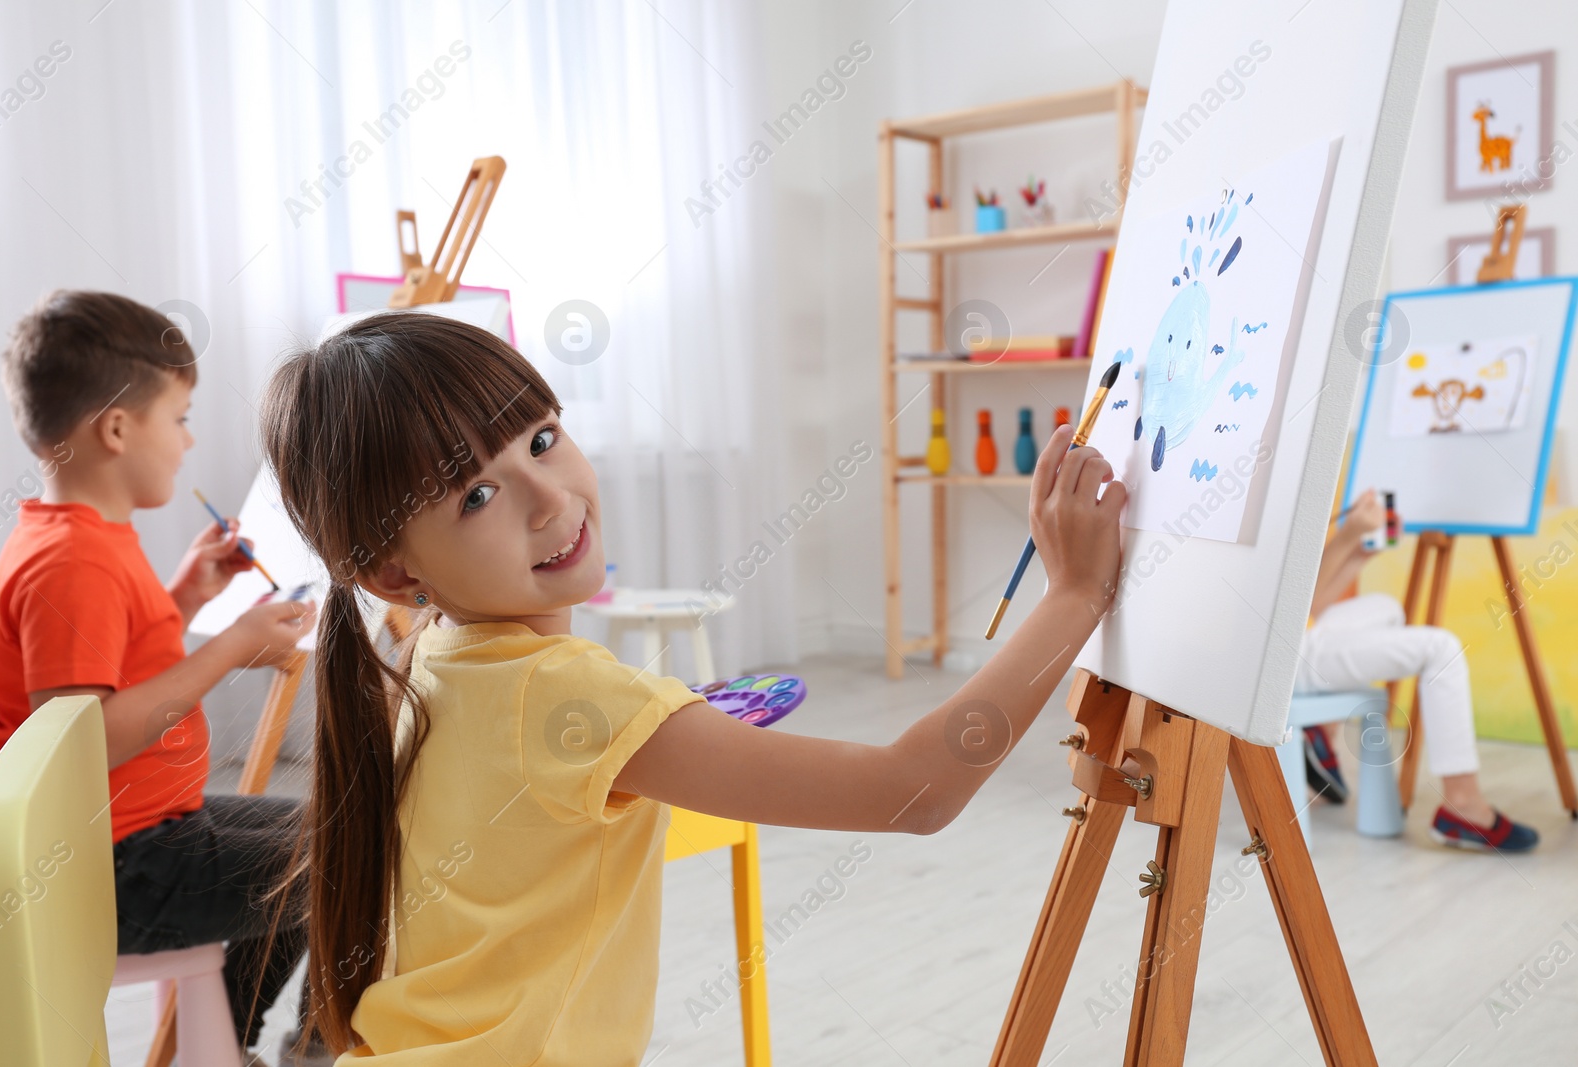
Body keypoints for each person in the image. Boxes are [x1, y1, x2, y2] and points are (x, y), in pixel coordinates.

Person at [252, 312, 1125, 1064]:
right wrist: (1075, 595)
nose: (550, 499)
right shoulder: (570, 696)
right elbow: (914, 790)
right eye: (477, 494)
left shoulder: (431, 662)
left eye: (542, 439)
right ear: (391, 572)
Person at [0, 290, 327, 1061]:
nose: (187, 437)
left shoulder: (84, 536)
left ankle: (239, 1040)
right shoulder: (72, 561)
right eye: (178, 417)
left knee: (339, 829)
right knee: (345, 858)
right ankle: (315, 1045)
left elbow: (113, 663)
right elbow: (81, 740)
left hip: (139, 829)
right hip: (113, 865)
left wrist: (185, 593)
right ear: (115, 428)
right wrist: (231, 645)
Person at [1297, 487, 1538, 852]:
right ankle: (1463, 805)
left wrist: (1360, 553)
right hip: (1280, 657)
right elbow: (1296, 613)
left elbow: (1306, 607)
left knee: (1387, 608)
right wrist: (1348, 534)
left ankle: (1320, 723)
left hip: (1287, 639)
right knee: (1441, 648)